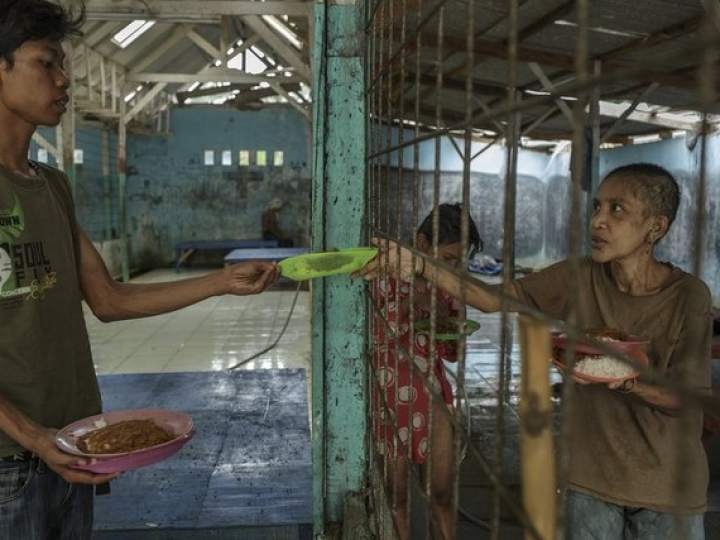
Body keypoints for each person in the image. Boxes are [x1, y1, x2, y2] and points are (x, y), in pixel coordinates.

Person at [0, 2, 279, 538]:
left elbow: (109, 299)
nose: (64, 81)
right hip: (11, 459)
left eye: (65, 66)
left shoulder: (52, 185)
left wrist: (221, 282)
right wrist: (32, 438)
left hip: (70, 444)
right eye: (46, 63)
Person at [359, 164, 712, 539]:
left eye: (617, 210)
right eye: (596, 208)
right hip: (590, 480)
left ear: (656, 228)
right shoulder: (581, 275)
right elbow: (495, 298)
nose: (598, 222)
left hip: (667, 486)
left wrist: (627, 381)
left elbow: (690, 399)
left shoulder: (688, 296)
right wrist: (421, 267)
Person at [370, 204, 481, 540]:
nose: (452, 268)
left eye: (459, 262)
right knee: (397, 498)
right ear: (420, 242)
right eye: (447, 259)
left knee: (442, 495)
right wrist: (410, 305)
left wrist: (448, 325)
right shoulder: (383, 273)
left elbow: (454, 354)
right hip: (387, 399)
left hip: (432, 398)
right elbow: (373, 335)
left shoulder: (448, 286)